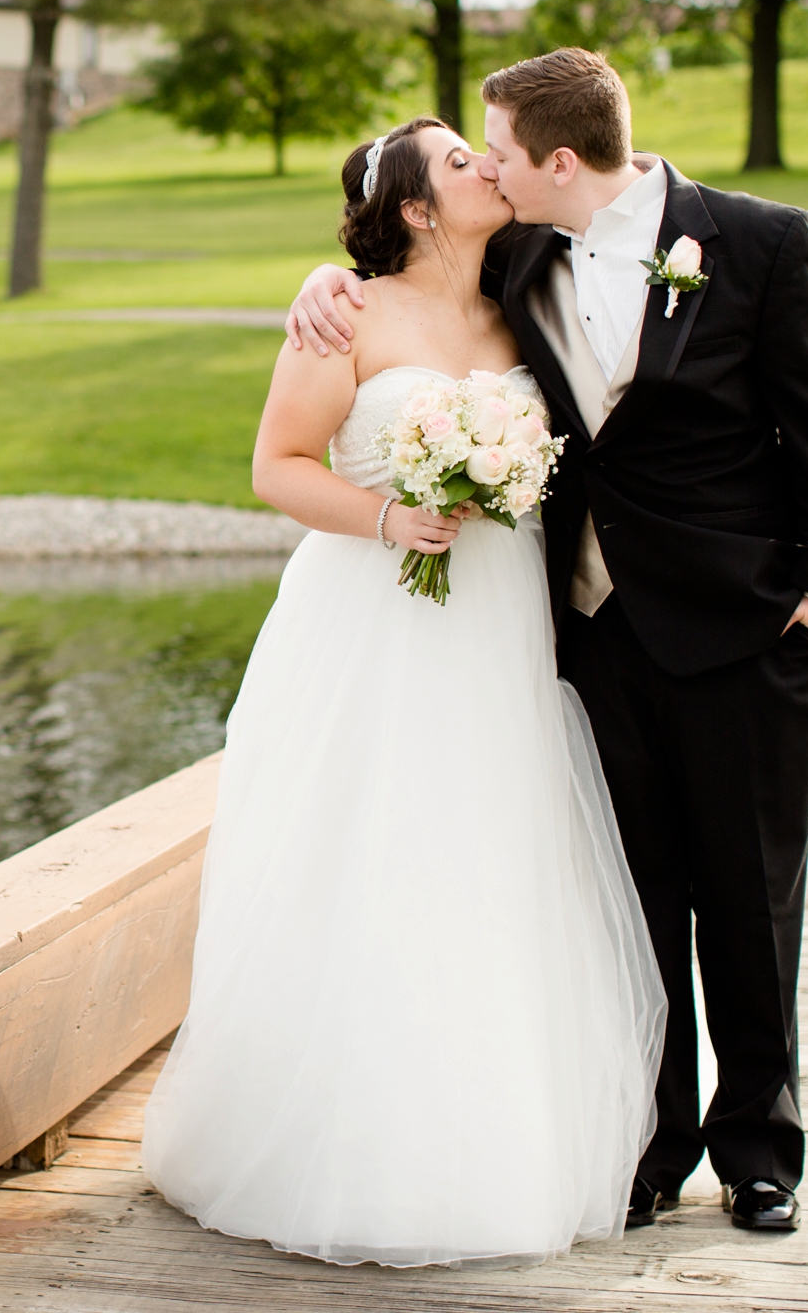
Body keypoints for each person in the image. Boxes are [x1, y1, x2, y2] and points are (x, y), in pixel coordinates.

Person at [285, 49, 808, 1233]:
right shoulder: (518, 250)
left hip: (748, 634)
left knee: (753, 900)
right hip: (590, 636)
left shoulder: (761, 242)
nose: (489, 169)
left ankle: (761, 1150)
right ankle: (651, 1142)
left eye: (499, 151)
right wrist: (320, 275)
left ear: (561, 160)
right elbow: (403, 267)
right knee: (634, 897)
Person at [140, 116, 666, 1268]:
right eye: (462, 163)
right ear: (420, 209)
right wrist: (390, 515)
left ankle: (494, 1134)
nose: (489, 166)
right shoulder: (349, 312)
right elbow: (277, 464)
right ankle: (345, 1138)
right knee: (371, 849)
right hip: (374, 617)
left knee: (489, 853)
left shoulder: (527, 291)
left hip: (496, 624)